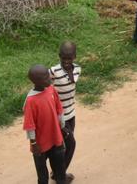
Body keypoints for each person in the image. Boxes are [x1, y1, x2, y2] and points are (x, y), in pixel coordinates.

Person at [23, 64, 68, 184]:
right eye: (46, 77)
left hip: (55, 137)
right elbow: (29, 125)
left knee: (60, 168)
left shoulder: (51, 89)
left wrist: (62, 126)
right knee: (42, 174)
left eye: (48, 75)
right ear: (36, 81)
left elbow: (59, 109)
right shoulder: (31, 101)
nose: (50, 78)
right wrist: (34, 143)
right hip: (40, 144)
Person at [49, 42, 80, 175]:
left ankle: (57, 171)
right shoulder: (53, 71)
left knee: (65, 145)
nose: (66, 61)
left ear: (75, 56)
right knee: (70, 144)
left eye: (69, 58)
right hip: (59, 117)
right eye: (64, 58)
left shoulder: (77, 69)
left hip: (71, 113)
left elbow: (71, 83)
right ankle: (60, 174)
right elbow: (43, 84)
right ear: (59, 56)